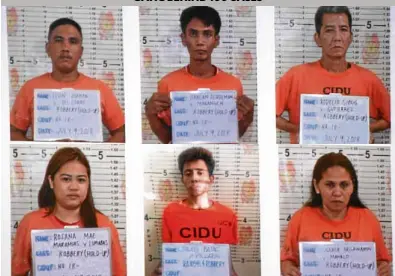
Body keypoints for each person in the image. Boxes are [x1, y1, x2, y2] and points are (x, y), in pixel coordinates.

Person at [276, 6, 390, 144]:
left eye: (343, 29)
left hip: (355, 160)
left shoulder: (369, 80)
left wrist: (364, 129)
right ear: (317, 38)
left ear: (350, 37)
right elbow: (268, 114)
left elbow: (390, 118)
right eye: (329, 30)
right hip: (307, 161)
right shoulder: (295, 76)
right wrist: (300, 130)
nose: (337, 38)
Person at [145, 6, 254, 144]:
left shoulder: (233, 84)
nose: (200, 41)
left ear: (216, 40)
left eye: (207, 34)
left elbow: (232, 134)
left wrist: (248, 118)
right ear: (183, 39)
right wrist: (151, 114)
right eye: (193, 34)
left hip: (222, 160)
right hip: (185, 161)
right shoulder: (168, 83)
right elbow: (168, 138)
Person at [12, 147, 126, 276]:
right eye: (66, 179)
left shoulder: (104, 225)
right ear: (51, 181)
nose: (73, 187)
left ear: (88, 183)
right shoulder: (30, 223)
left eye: (81, 180)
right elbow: (16, 272)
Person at [10, 17, 125, 143]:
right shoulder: (30, 88)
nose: (65, 47)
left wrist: (96, 152)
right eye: (58, 40)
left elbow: (122, 132)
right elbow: (12, 132)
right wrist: (40, 148)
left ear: (81, 52)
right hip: (44, 162)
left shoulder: (100, 89)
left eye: (73, 41)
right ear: (48, 48)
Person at [281, 152, 391, 276]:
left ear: (352, 186)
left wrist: (384, 268)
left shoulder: (368, 219)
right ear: (317, 186)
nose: (337, 192)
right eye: (330, 185)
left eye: (344, 185)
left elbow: (382, 261)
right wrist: (287, 267)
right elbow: (287, 260)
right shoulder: (300, 219)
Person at [152, 147, 239, 276]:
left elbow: (227, 262)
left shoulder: (227, 215)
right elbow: (168, 254)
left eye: (200, 172)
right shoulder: (171, 212)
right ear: (182, 179)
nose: (194, 178)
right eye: (188, 173)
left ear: (211, 178)